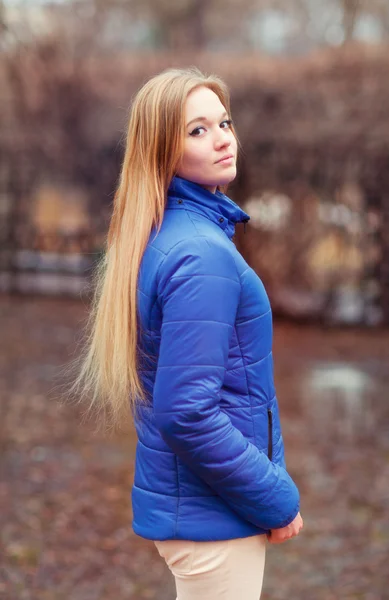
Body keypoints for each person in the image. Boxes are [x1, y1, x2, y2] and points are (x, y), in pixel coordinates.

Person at [71, 66, 303, 600]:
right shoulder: (201, 253)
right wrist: (277, 497)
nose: (222, 139)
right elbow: (185, 410)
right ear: (161, 151)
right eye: (197, 130)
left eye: (224, 123)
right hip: (215, 517)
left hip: (199, 509)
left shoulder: (169, 233)